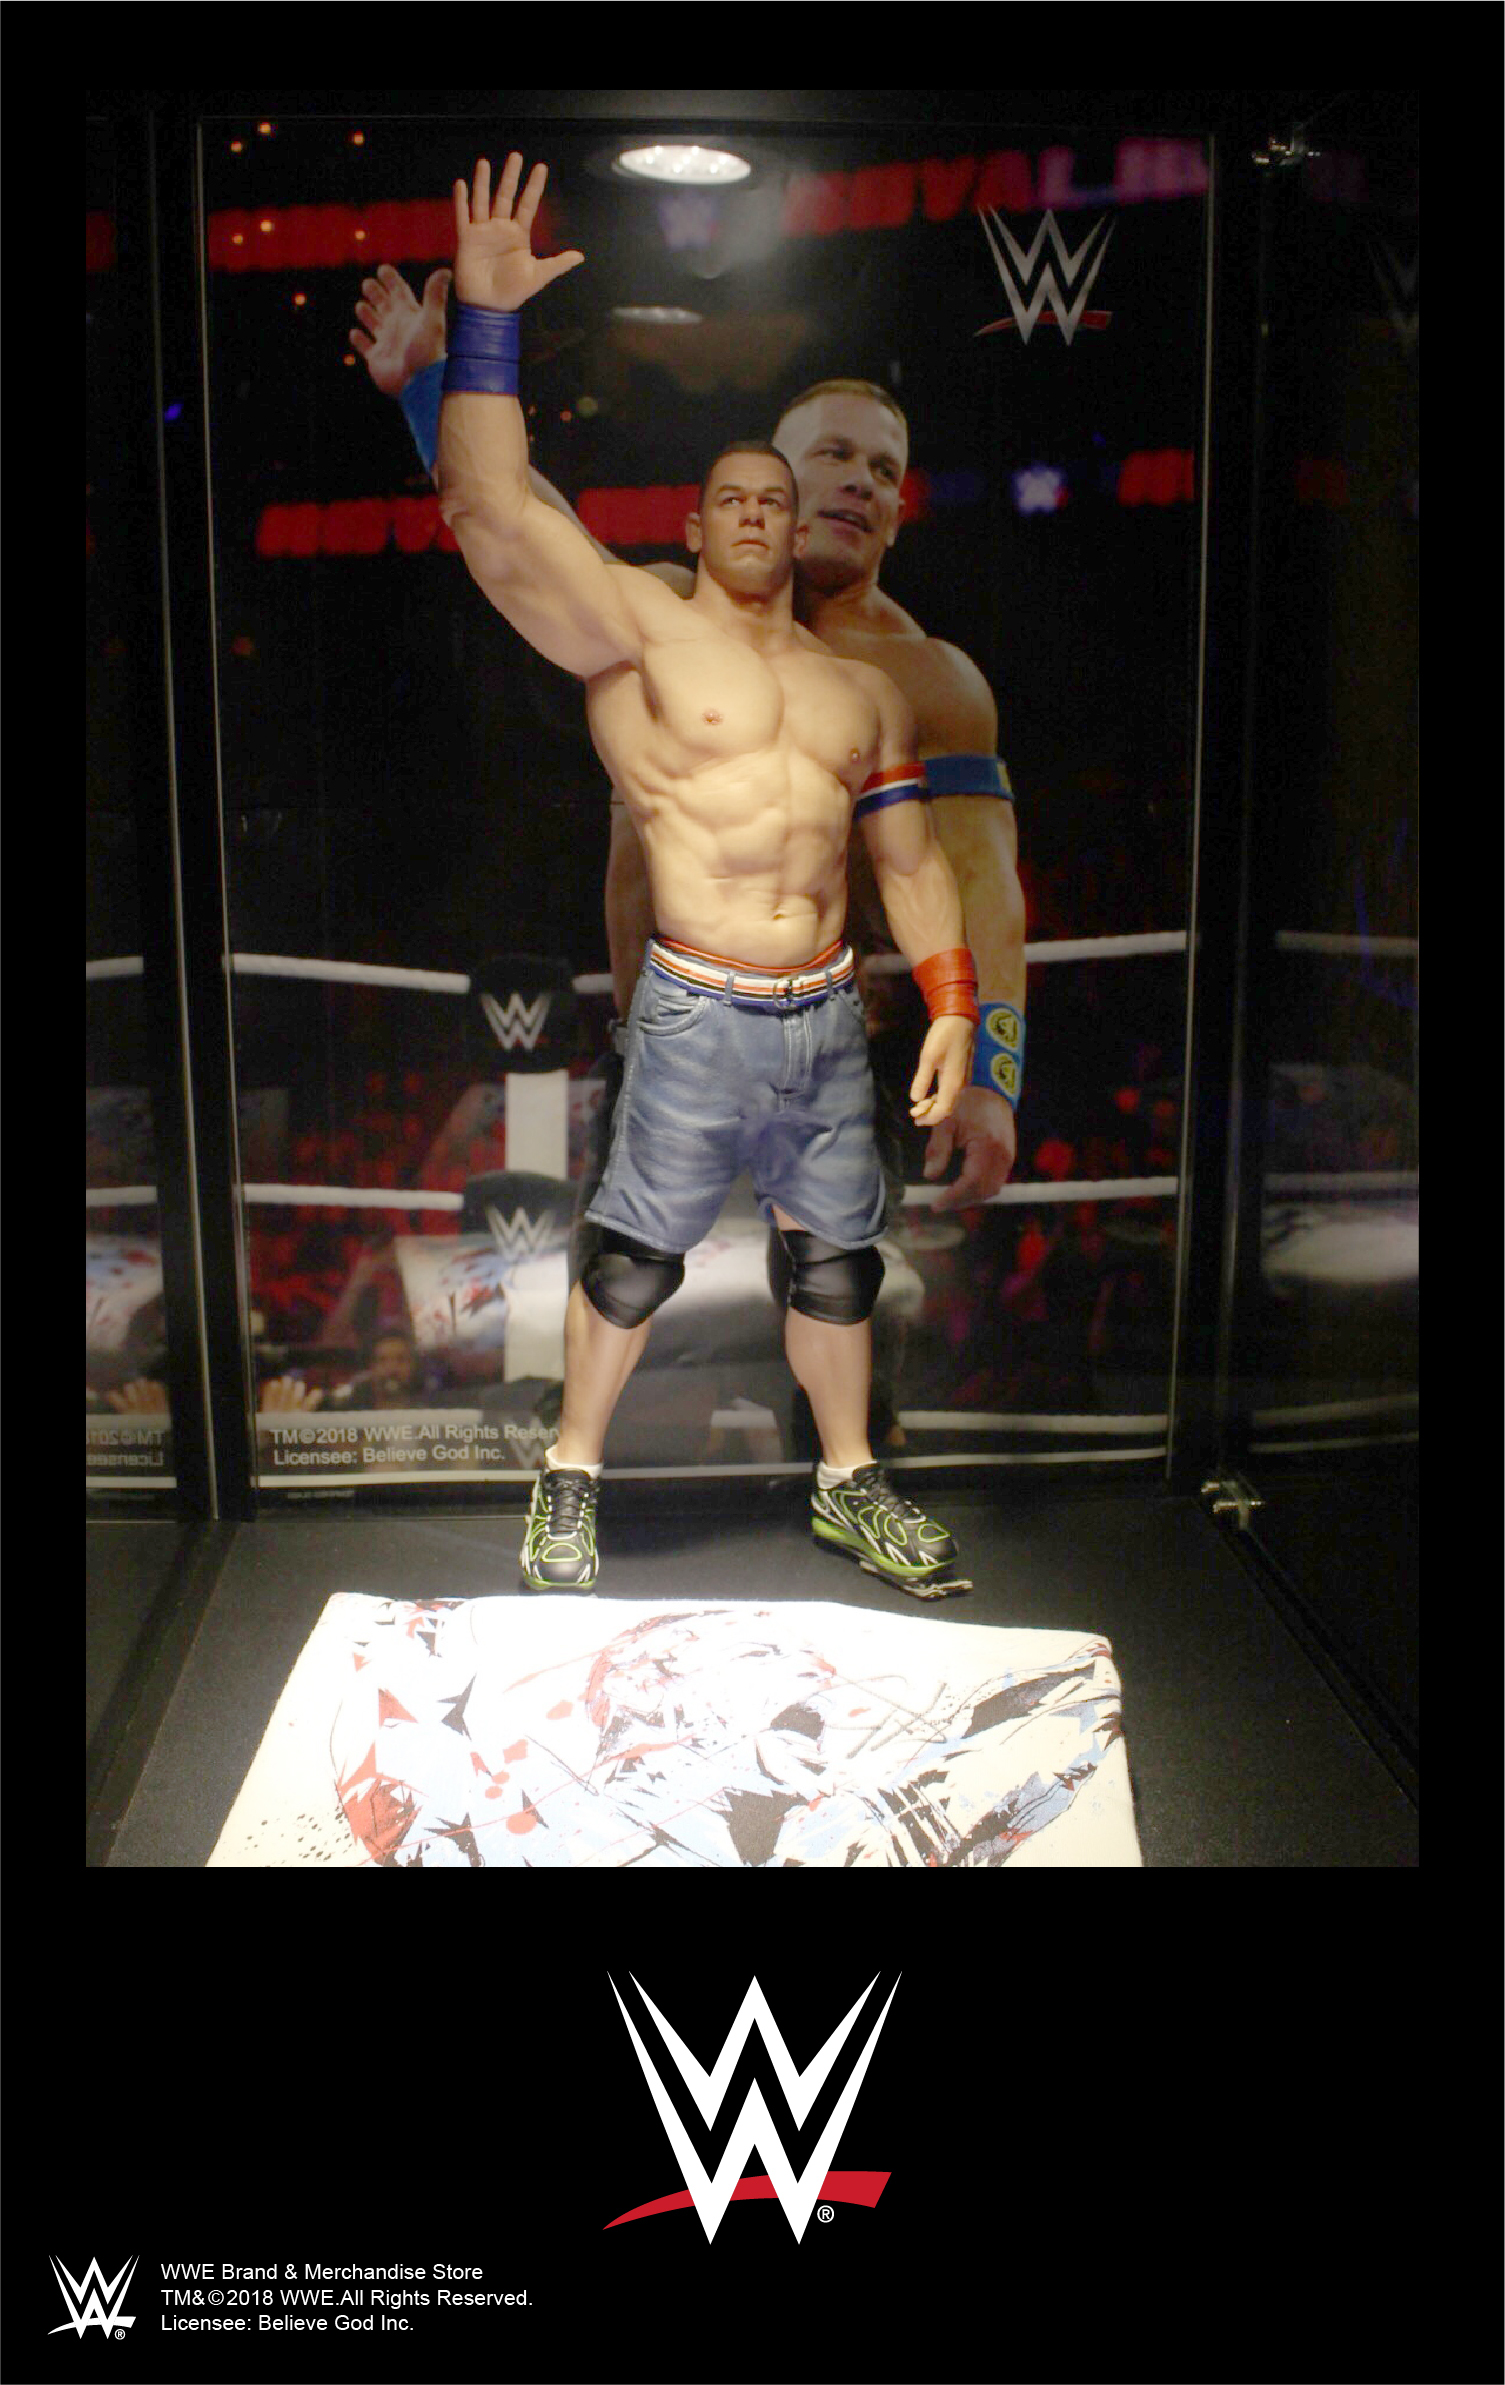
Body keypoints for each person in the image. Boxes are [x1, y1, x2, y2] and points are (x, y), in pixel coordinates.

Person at [436, 154, 979, 1598]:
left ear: (798, 528)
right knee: (629, 1260)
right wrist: (485, 322)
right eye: (727, 498)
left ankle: (849, 1484)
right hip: (693, 1005)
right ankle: (570, 1476)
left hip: (825, 1013)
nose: (752, 514)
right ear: (692, 526)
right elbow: (492, 514)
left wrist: (952, 1004)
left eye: (770, 499)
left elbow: (911, 858)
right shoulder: (639, 634)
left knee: (838, 1263)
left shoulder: (866, 695)